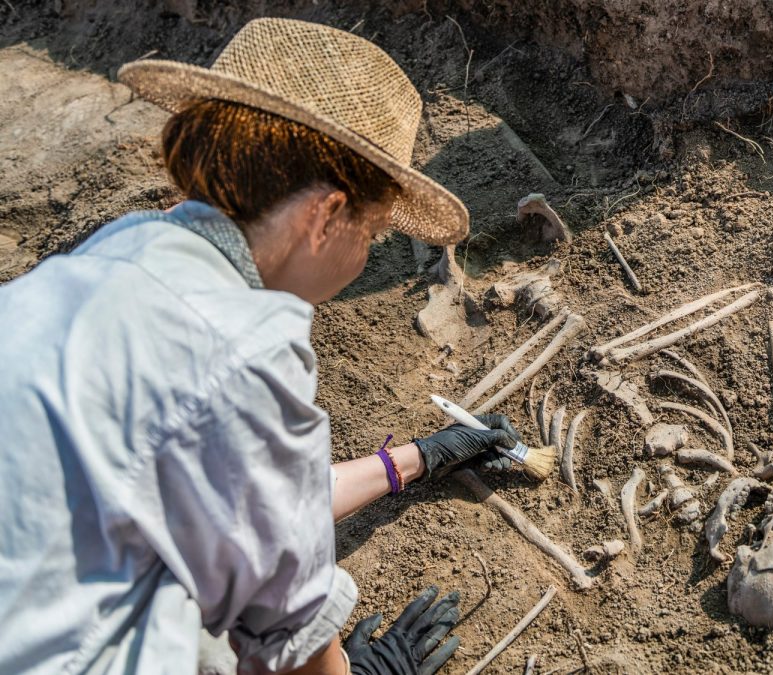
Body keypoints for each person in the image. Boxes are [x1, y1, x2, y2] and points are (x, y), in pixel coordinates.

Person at [0, 18, 514, 675]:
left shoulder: (118, 252)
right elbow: (287, 631)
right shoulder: (244, 341)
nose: (366, 256)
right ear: (325, 216)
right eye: (374, 233)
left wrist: (416, 459)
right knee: (207, 643)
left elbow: (247, 502)